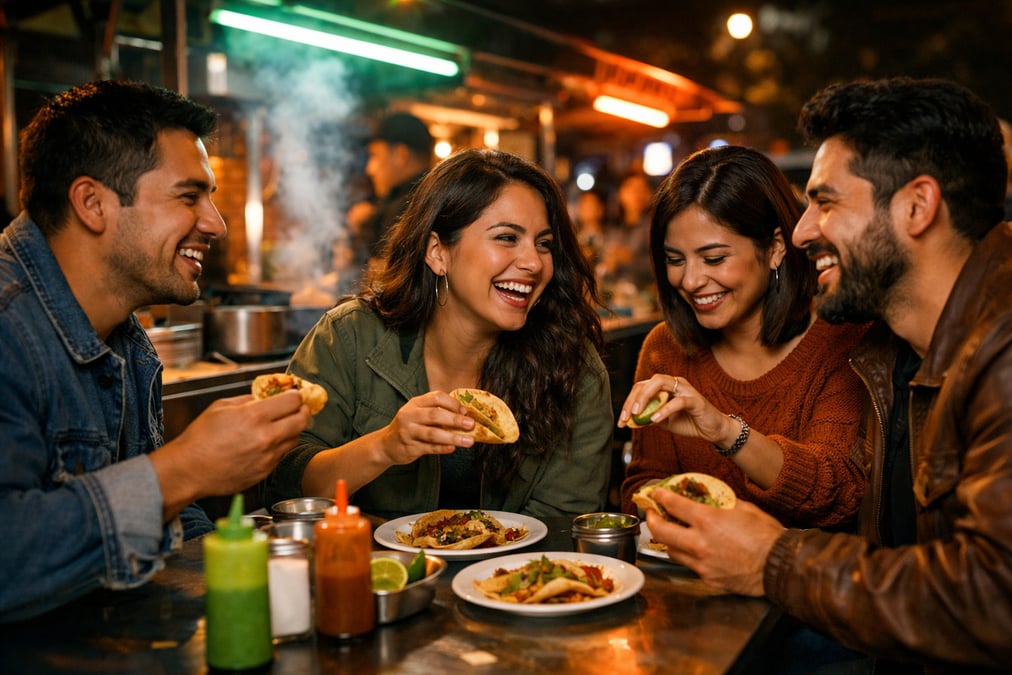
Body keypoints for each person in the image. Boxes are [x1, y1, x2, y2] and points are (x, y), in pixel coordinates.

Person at [644, 77, 1012, 673]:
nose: (801, 231)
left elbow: (991, 601)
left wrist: (772, 559)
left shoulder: (998, 347)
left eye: (827, 201)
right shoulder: (907, 350)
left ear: (917, 206)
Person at [0, 80, 311, 622]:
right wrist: (185, 469)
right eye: (189, 197)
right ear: (92, 203)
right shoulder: (8, 329)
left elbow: (170, 522)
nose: (215, 223)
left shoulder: (126, 336)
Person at [262, 148, 614, 520]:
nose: (533, 262)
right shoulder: (349, 336)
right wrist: (384, 447)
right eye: (507, 238)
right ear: (437, 252)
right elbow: (283, 482)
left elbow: (565, 522)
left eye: (544, 244)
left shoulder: (572, 367)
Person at [618, 145, 867, 529]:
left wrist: (724, 431)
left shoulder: (840, 341)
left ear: (775, 249)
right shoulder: (665, 347)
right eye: (675, 259)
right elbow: (642, 484)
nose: (690, 280)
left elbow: (837, 492)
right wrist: (656, 499)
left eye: (714, 258)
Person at [346, 111, 434, 267]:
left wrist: (361, 230)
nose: (369, 169)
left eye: (375, 155)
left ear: (401, 155)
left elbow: (378, 277)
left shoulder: (411, 207)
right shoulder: (431, 195)